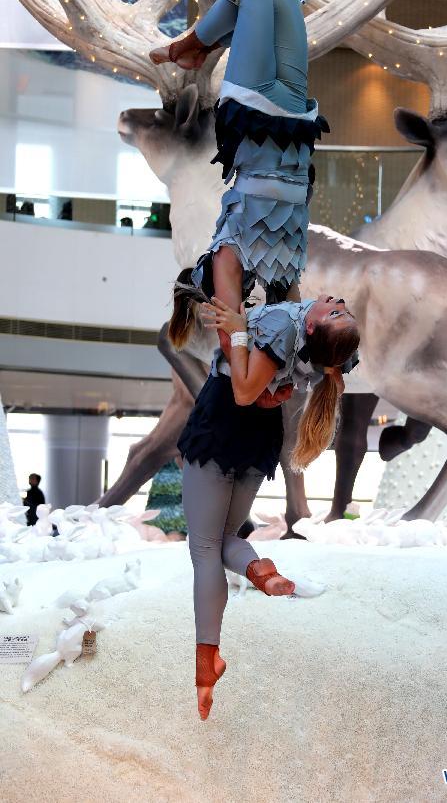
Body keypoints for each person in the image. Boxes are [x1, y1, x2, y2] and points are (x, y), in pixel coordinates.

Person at [172, 290, 359, 720]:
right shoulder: (330, 346)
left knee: (204, 551)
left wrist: (236, 333)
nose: (339, 299)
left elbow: (242, 390)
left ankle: (207, 663)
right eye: (342, 308)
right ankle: (264, 574)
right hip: (260, 438)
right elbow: (333, 368)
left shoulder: (283, 327)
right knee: (220, 543)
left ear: (311, 327)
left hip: (222, 423)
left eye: (335, 310)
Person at [150, 0, 329, 337]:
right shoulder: (286, 274)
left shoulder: (230, 252)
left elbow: (235, 346)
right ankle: (205, 47)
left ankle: (183, 49)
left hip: (252, 113)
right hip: (293, 122)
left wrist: (238, 331)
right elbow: (290, 326)